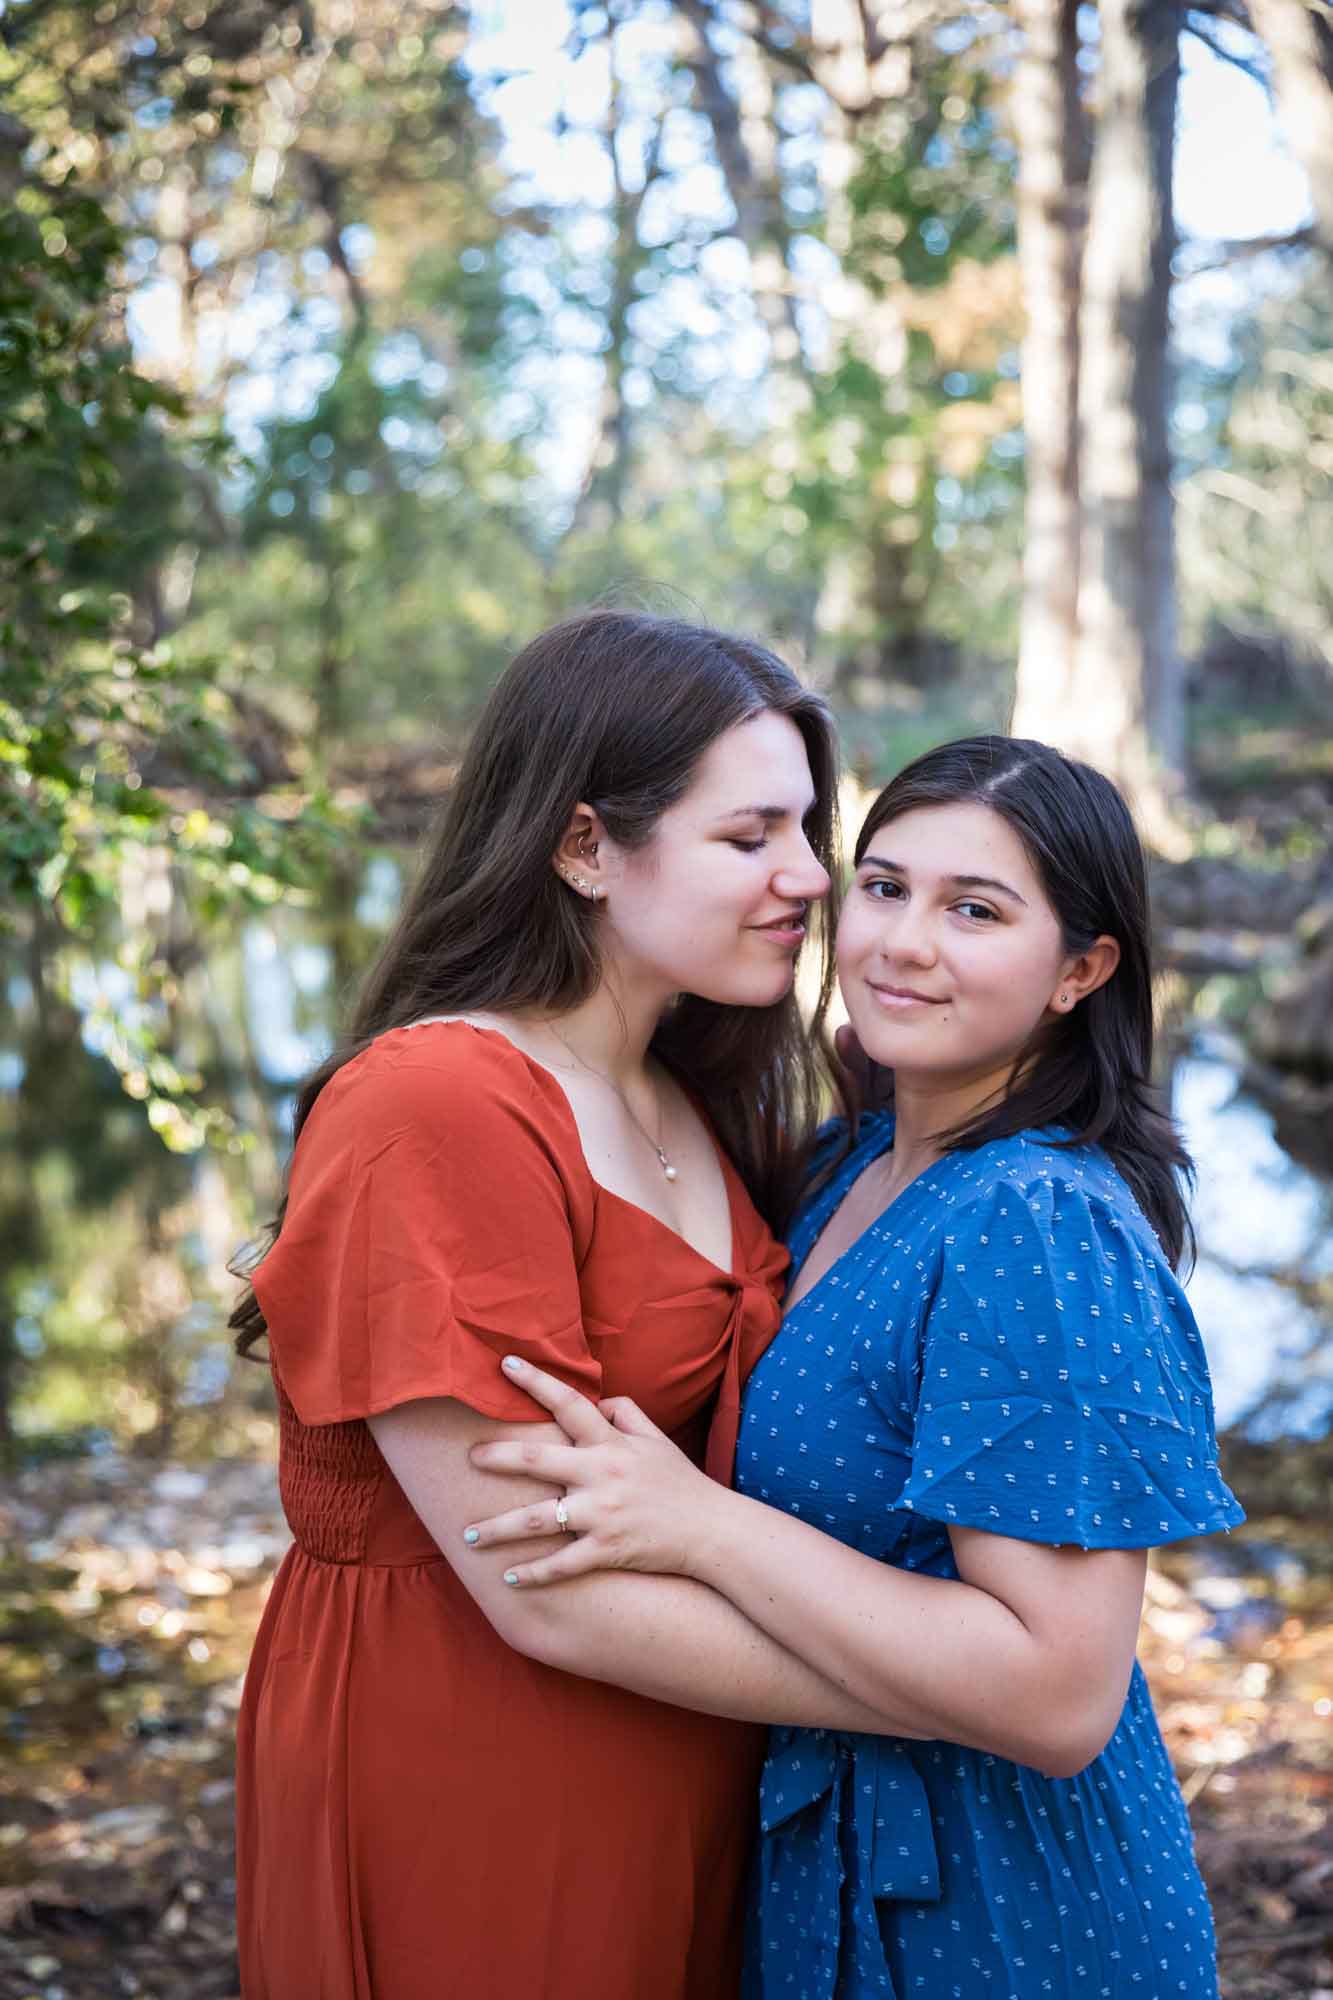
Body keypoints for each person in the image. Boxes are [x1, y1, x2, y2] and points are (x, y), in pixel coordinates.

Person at [464, 735, 1244, 2000]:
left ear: (1081, 970)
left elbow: (1058, 1691)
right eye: (883, 887)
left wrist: (701, 1527)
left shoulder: (1034, 1221)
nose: (900, 942)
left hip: (1007, 1911)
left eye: (974, 910)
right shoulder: (851, 1162)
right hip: (835, 1861)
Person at [229, 606, 934, 2000]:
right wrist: (951, 1693)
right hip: (475, 1769)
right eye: (750, 839)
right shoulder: (437, 1104)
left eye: (809, 834)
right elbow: (542, 1593)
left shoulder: (689, 1086)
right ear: (583, 845)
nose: (809, 882)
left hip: (690, 1749)